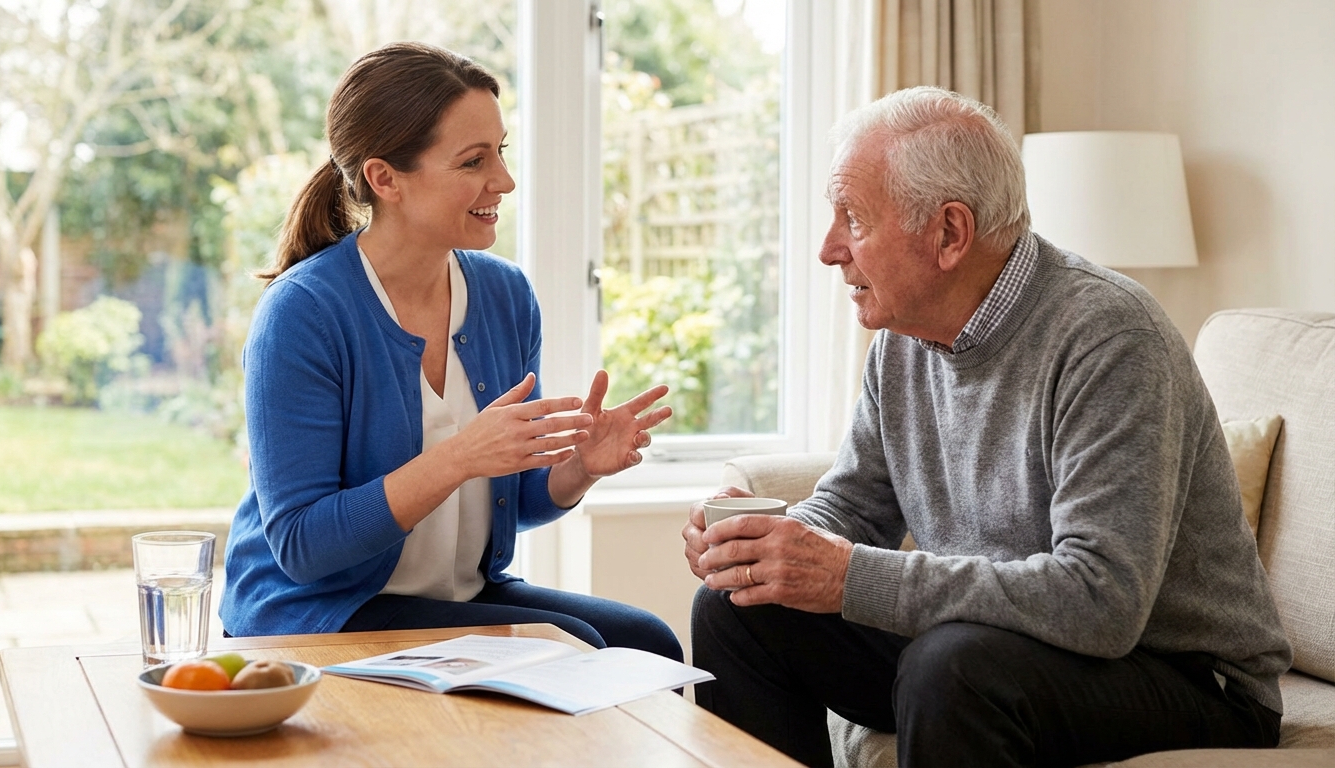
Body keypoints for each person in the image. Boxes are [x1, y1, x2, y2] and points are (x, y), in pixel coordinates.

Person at [681, 86, 1292, 767]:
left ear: (949, 233)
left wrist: (849, 577)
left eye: (853, 219)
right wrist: (766, 543)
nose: (829, 249)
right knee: (739, 607)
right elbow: (853, 506)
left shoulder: (1111, 338)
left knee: (954, 666)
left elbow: (1101, 601)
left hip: (1185, 676)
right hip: (993, 646)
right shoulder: (902, 341)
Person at [219, 42, 681, 663]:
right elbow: (303, 544)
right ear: (385, 179)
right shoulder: (303, 314)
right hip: (317, 609)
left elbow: (512, 504)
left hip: (454, 598)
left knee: (646, 641)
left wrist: (578, 469)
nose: (505, 181)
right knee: (579, 649)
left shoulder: (503, 294)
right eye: (473, 161)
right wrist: (458, 457)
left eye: (502, 152)